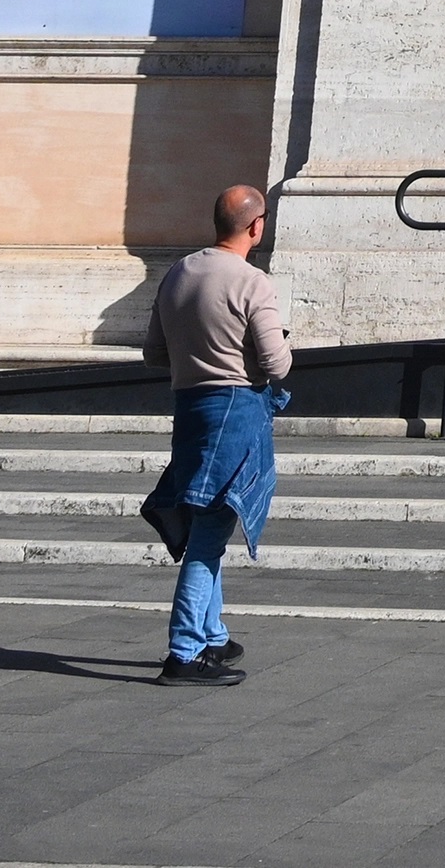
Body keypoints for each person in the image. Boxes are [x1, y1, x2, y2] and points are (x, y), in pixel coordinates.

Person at [138, 182, 289, 685]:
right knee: (210, 532)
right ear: (256, 226)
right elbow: (275, 362)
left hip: (190, 408)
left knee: (206, 520)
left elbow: (154, 353)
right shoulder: (252, 282)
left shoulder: (178, 272)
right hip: (237, 408)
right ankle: (183, 652)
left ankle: (213, 635)